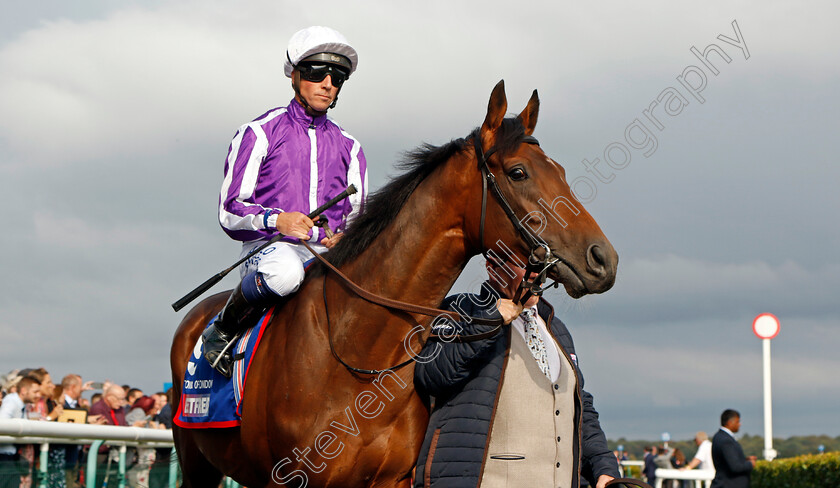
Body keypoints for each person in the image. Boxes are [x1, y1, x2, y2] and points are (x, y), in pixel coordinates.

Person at [202, 25, 368, 377]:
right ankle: (223, 328)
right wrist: (278, 221)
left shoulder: (351, 147)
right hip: (268, 248)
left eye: (337, 77)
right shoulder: (259, 132)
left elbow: (358, 217)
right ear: (294, 75)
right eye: (316, 72)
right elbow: (229, 211)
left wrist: (346, 238)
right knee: (285, 274)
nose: (327, 83)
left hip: (326, 253)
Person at [413, 259, 620, 488]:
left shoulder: (558, 330)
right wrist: (488, 320)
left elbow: (580, 408)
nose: (535, 272)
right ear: (492, 268)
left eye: (542, 264)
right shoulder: (460, 310)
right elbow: (430, 374)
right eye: (524, 262)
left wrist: (603, 466)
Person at [0, 376, 41, 488]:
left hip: (10, 457)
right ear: (23, 391)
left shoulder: (23, 406)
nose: (38, 395)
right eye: (35, 391)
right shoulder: (11, 402)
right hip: (4, 457)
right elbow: (3, 424)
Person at [710, 409, 756, 488]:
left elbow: (727, 461)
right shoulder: (726, 440)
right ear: (730, 422)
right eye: (738, 421)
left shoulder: (719, 436)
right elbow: (735, 467)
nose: (740, 424)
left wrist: (744, 460)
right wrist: (750, 464)